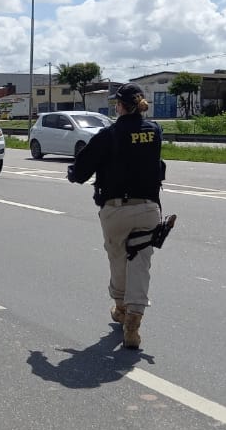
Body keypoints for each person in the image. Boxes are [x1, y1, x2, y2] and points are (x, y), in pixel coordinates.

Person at [67, 83, 165, 349]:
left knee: (119, 260)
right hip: (148, 209)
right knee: (141, 262)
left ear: (119, 106)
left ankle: (122, 308)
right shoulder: (154, 131)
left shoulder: (108, 135)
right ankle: (135, 317)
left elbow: (81, 172)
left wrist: (72, 172)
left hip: (116, 210)